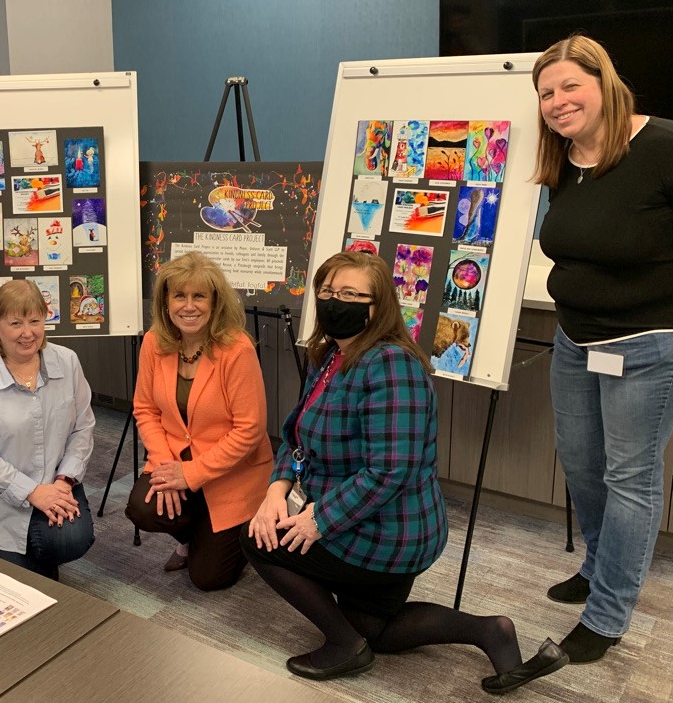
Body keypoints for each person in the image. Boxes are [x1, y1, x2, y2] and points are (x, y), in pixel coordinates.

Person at [242, 252, 568, 694]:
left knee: (256, 542)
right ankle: (490, 630)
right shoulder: (333, 355)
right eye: (329, 292)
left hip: (391, 529)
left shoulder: (391, 364)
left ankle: (342, 645)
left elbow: (392, 471)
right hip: (365, 515)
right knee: (374, 628)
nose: (336, 302)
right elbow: (296, 433)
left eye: (352, 295)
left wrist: (319, 520)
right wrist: (276, 490)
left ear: (380, 307)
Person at [533, 34, 673, 663]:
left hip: (646, 346)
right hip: (574, 340)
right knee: (583, 464)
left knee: (630, 478)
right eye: (545, 93)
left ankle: (609, 611)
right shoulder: (564, 159)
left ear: (604, 82)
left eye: (569, 86)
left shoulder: (663, 146)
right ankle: (598, 564)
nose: (557, 102)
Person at [125, 251, 272, 591]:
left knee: (207, 578)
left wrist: (189, 475)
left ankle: (239, 526)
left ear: (214, 301)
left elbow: (249, 429)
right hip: (176, 459)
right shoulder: (153, 343)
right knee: (142, 508)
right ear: (166, 301)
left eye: (198, 296)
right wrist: (165, 469)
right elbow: (145, 409)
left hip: (233, 472)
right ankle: (194, 531)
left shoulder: (236, 349)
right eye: (179, 295)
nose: (188, 306)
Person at [0, 279, 95, 579]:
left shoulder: (67, 362)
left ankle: (40, 547)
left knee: (71, 539)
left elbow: (83, 427)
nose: (27, 333)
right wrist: (30, 491)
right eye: (16, 323)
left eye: (35, 321)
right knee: (13, 585)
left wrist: (64, 481)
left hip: (55, 483)